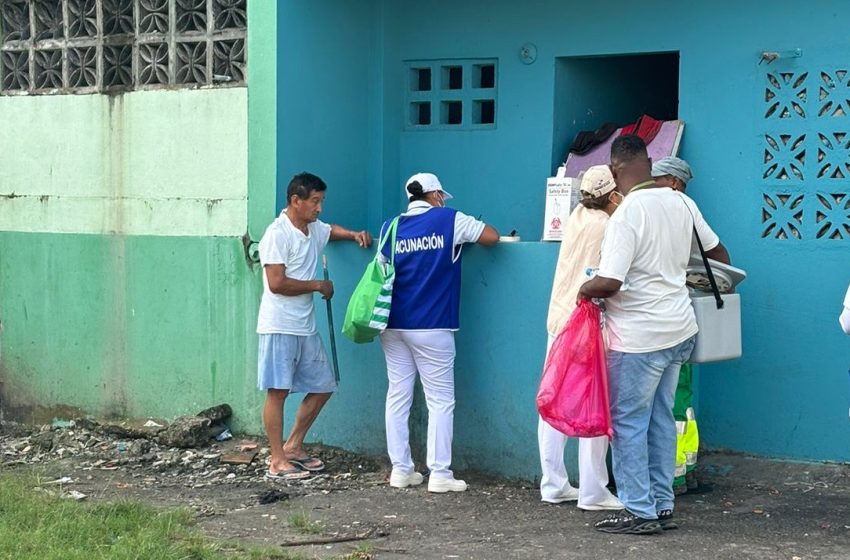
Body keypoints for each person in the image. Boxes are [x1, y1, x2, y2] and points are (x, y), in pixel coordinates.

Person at [579, 136, 730, 534]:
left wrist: (584, 289)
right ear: (650, 162)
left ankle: (638, 511)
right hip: (680, 329)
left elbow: (610, 281)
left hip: (637, 339)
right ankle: (662, 505)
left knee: (629, 423)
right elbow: (719, 256)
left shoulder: (627, 214)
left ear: (615, 171)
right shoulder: (681, 201)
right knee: (661, 418)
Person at [379, 172, 499, 493]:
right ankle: (440, 473)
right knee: (441, 401)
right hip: (432, 325)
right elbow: (491, 236)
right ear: (433, 195)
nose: (442, 199)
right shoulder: (450, 220)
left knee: (398, 396)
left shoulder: (389, 227)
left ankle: (401, 470)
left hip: (392, 325)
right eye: (441, 195)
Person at [257, 172, 373, 481]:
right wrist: (317, 285)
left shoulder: (312, 229)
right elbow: (276, 282)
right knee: (278, 391)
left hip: (305, 327)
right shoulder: (277, 234)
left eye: (321, 201)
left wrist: (353, 234)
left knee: (324, 385)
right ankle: (276, 459)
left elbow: (330, 230)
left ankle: (293, 445)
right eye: (314, 202)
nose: (319, 208)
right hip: (279, 325)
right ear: (296, 201)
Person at [538, 165, 623, 511]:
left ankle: (553, 482)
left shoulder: (575, 217)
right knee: (593, 402)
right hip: (585, 323)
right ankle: (593, 490)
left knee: (555, 400)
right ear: (611, 194)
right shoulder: (608, 225)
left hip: (558, 321)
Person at [651, 156, 717, 496]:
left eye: (658, 178)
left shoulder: (659, 206)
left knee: (668, 400)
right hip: (683, 315)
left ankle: (672, 476)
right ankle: (685, 471)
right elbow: (717, 251)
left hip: (658, 320)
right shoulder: (685, 208)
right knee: (682, 397)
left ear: (673, 182)